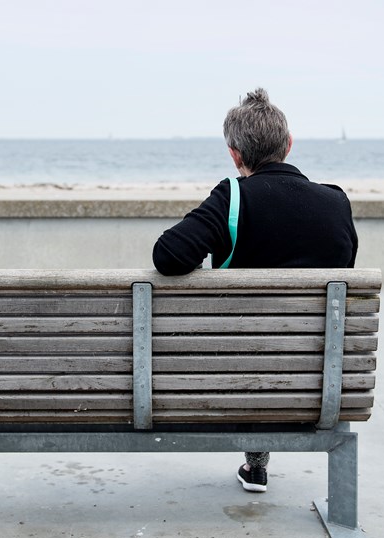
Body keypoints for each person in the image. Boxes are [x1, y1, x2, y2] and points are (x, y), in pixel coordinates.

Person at [152, 88, 358, 493]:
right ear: (288, 144)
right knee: (284, 348)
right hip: (318, 380)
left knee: (251, 350)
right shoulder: (336, 202)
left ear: (235, 154)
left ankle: (256, 460)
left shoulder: (232, 197)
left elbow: (167, 256)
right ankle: (258, 461)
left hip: (232, 376)